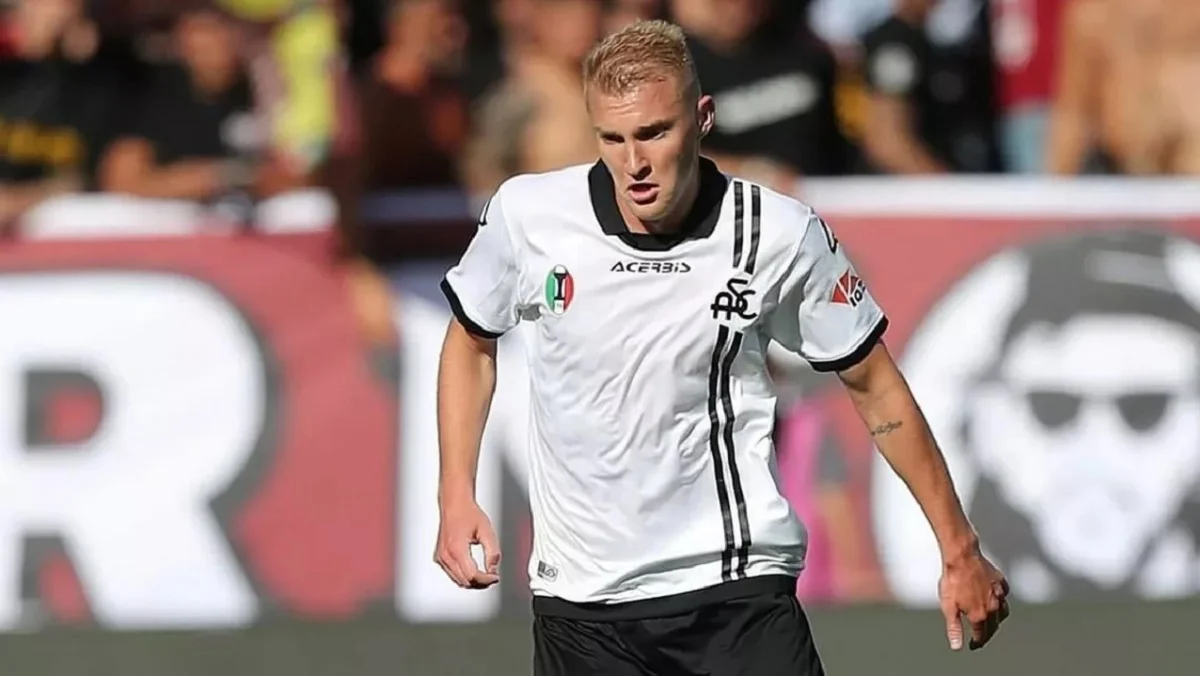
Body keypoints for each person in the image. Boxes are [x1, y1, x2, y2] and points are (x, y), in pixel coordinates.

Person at [434, 19, 1009, 675]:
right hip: (582, 610)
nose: (634, 163)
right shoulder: (529, 215)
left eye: (654, 133)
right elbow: (470, 341)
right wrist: (455, 493)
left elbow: (874, 383)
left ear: (702, 118)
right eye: (612, 139)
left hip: (733, 596)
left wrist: (958, 547)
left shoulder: (777, 233)